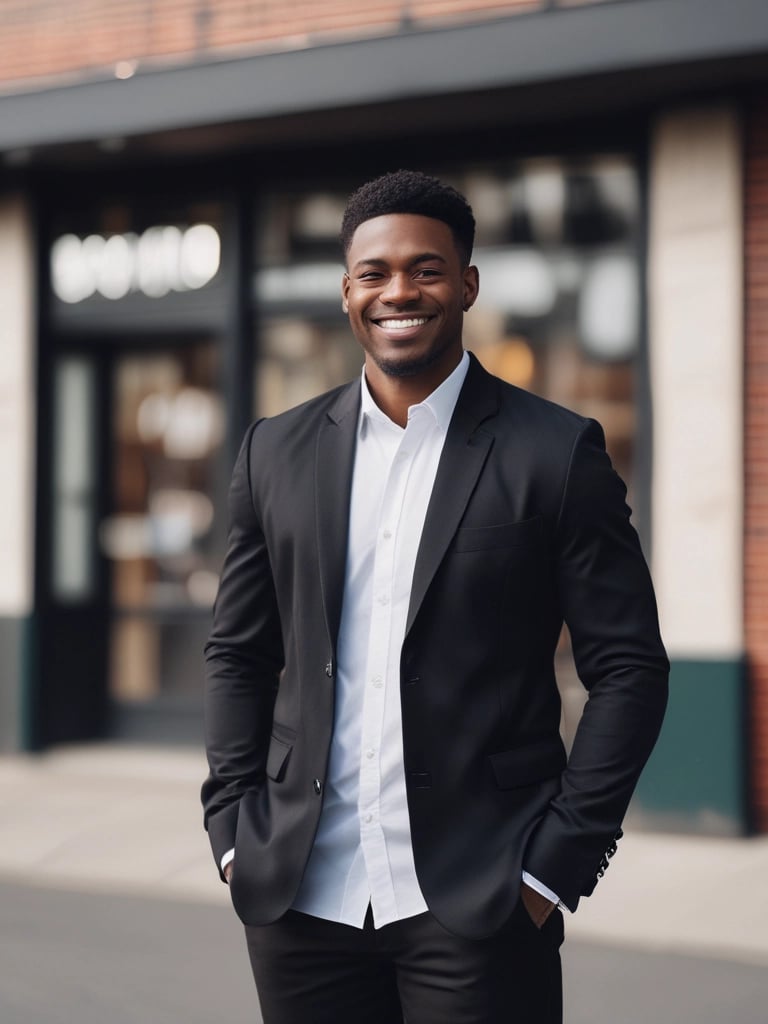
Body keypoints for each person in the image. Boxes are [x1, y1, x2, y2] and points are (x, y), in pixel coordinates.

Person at [201, 169, 669, 1024]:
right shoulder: (276, 450)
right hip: (302, 899)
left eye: (426, 268)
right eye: (374, 273)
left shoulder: (556, 453)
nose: (399, 291)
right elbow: (240, 650)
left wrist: (554, 866)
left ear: (467, 284)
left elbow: (631, 669)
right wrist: (231, 827)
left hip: (484, 898)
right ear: (347, 292)